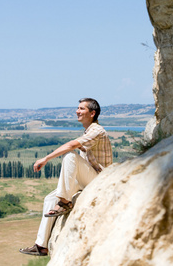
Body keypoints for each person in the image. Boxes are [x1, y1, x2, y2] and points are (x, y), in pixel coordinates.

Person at [19, 98, 112, 256]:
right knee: (49, 199)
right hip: (89, 178)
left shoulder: (97, 130)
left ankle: (65, 202)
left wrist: (45, 158)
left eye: (82, 108)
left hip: (100, 179)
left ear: (92, 113)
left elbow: (71, 146)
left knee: (70, 156)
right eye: (78, 108)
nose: (77, 111)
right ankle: (41, 246)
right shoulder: (89, 131)